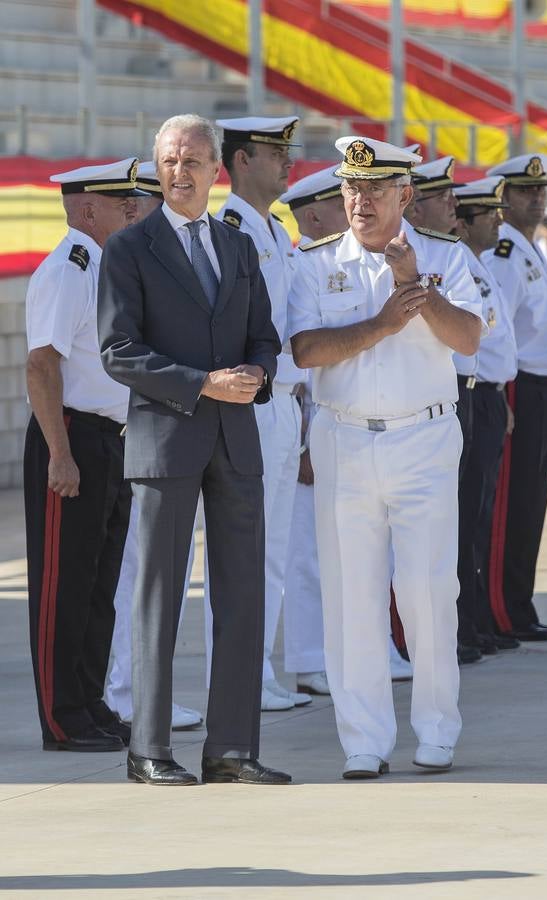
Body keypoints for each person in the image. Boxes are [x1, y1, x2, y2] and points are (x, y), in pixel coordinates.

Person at [98, 114, 288, 786]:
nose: (180, 172)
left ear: (216, 170)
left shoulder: (237, 247)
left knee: (242, 597)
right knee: (158, 597)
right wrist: (204, 383)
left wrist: (257, 372)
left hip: (235, 440)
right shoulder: (129, 249)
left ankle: (231, 749)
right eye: (170, 161)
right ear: (158, 168)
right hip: (166, 439)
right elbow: (118, 350)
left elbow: (265, 335)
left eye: (193, 161)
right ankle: (148, 749)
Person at [289, 136, 484, 779]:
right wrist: (380, 324)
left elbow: (469, 339)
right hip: (344, 438)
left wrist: (413, 288)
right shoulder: (315, 261)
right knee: (352, 596)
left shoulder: (445, 256)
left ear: (405, 195)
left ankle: (437, 729)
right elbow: (305, 350)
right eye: (351, 188)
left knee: (428, 590)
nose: (360, 201)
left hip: (423, 438)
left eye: (374, 189)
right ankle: (363, 740)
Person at [24, 159, 143, 752]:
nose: (134, 209)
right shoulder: (68, 269)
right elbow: (41, 364)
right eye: (124, 202)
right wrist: (59, 453)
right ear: (88, 209)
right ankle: (62, 716)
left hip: (110, 438)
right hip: (71, 436)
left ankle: (89, 701)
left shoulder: (104, 265)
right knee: (63, 586)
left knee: (99, 584)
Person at [210, 115, 311, 712]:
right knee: (241, 547)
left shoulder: (273, 228)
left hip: (283, 402)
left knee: (272, 548)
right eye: (275, 152)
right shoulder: (230, 229)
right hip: (250, 403)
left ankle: (258, 672)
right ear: (242, 160)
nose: (287, 162)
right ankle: (234, 677)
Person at [104, 160, 203, 731]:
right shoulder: (122, 261)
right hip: (136, 434)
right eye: (137, 203)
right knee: (141, 574)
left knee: (166, 570)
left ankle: (146, 692)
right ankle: (128, 692)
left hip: (171, 430)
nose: (139, 213)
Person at [482, 154, 547, 642]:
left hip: (543, 386)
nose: (537, 198)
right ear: (504, 198)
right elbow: (500, 332)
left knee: (532, 503)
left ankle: (520, 605)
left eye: (540, 190)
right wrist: (505, 395)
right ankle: (504, 611)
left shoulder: (526, 248)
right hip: (519, 386)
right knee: (510, 508)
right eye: (525, 191)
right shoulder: (505, 253)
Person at [405, 155, 482, 664]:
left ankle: (464, 627)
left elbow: (475, 333)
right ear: (413, 206)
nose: (453, 204)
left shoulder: (451, 255)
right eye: (441, 197)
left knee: (460, 525)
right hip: (421, 401)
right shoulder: (408, 253)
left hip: (458, 395)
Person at [279, 164, 349, 696]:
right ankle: (306, 660)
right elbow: (298, 361)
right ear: (317, 215)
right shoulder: (302, 265)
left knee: (335, 550)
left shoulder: (333, 263)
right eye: (340, 202)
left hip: (333, 420)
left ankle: (326, 654)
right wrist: (305, 441)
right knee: (304, 551)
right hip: (306, 421)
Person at [453, 176, 520, 655]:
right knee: (463, 516)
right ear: (463, 223)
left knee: (479, 515)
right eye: (488, 215)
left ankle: (476, 619)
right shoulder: (459, 264)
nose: (498, 222)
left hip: (488, 394)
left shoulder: (481, 265)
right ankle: (462, 625)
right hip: (467, 395)